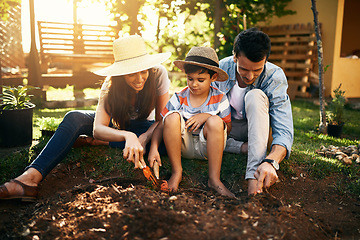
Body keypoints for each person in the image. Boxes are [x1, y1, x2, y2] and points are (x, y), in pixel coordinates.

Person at [0, 35, 171, 202]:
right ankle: (29, 179)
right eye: (132, 74)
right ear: (121, 74)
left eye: (143, 71)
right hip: (118, 127)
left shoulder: (158, 74)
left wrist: (144, 137)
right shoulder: (110, 85)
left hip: (145, 127)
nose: (139, 79)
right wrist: (128, 136)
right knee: (74, 117)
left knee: (170, 139)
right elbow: (98, 128)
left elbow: (161, 120)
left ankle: (100, 142)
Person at [212, 28, 294, 195]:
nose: (249, 76)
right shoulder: (221, 69)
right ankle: (242, 148)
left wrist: (271, 161)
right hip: (228, 130)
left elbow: (284, 130)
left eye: (256, 70)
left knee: (255, 95)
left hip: (260, 130)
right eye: (243, 69)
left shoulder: (274, 76)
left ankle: (253, 183)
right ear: (235, 57)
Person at [148, 46, 235, 198]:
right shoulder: (179, 97)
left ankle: (214, 180)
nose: (194, 84)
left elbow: (227, 128)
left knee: (215, 121)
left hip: (208, 148)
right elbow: (162, 125)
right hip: (183, 146)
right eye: (190, 79)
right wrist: (154, 147)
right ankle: (177, 172)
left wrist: (207, 116)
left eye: (200, 80)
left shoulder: (220, 98)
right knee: (172, 116)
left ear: (213, 78)